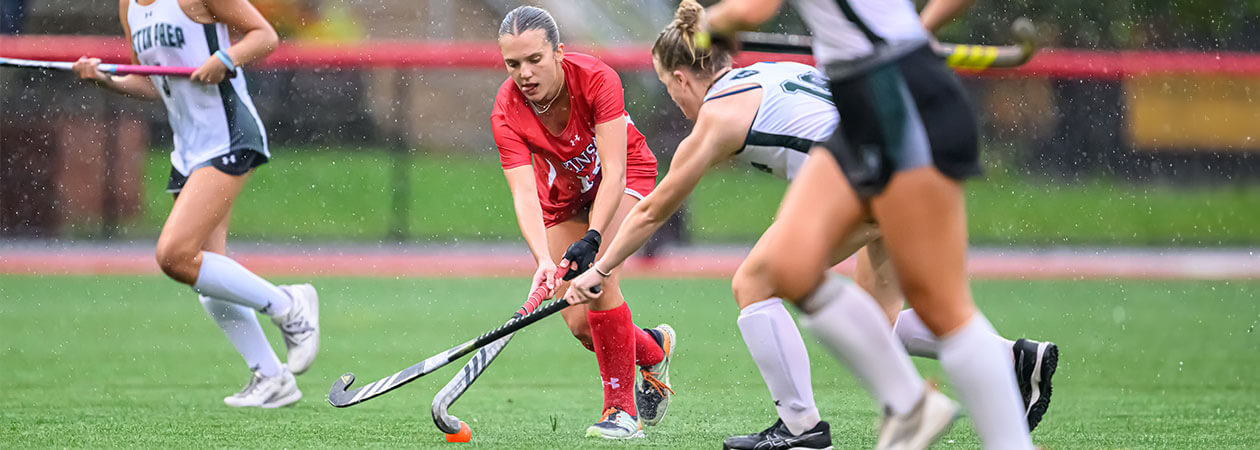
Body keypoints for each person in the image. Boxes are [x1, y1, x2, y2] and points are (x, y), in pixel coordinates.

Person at [566, 1, 1057, 448]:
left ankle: (802, 426)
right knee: (885, 321)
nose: (678, 105)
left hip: (865, 165)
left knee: (756, 281)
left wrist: (601, 270)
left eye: (672, 93)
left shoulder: (716, 119)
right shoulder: (770, 71)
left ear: (680, 79)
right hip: (909, 144)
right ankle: (1010, 364)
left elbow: (652, 210)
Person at [72, 0, 318, 408]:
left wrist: (225, 57)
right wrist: (104, 80)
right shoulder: (128, 7)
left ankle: (290, 305)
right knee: (204, 272)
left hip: (229, 136)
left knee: (174, 256)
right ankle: (271, 376)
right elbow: (152, 82)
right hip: (188, 150)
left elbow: (265, 36)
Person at [490, 6, 675, 439]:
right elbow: (522, 192)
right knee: (579, 323)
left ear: (558, 52)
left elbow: (614, 171)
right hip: (563, 200)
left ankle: (621, 413)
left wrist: (594, 239)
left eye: (535, 59)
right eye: (513, 64)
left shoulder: (596, 78)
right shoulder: (506, 110)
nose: (525, 74)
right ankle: (652, 349)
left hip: (625, 177)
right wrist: (541, 260)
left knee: (598, 280)